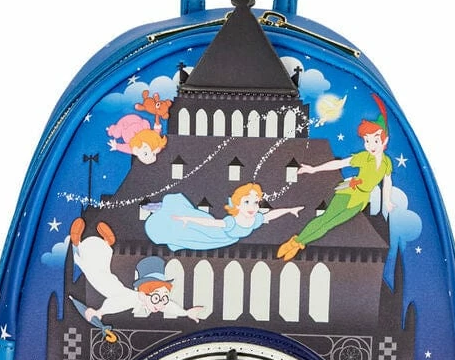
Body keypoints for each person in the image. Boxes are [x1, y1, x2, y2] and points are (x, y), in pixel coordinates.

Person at [277, 93, 395, 261]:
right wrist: (314, 169)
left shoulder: (386, 163)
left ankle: (299, 243)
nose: (370, 146)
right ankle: (295, 242)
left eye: (375, 140)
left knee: (331, 224)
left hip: (361, 200)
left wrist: (387, 200)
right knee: (326, 218)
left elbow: (387, 181)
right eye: (367, 141)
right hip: (349, 191)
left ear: (385, 141)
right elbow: (340, 164)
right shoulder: (364, 157)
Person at [69, 219, 202, 322]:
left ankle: (103, 243)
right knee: (94, 271)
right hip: (107, 284)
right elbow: (115, 303)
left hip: (111, 281)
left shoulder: (151, 301)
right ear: (143, 293)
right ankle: (77, 242)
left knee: (99, 267)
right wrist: (100, 312)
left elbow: (169, 306)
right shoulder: (132, 299)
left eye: (164, 298)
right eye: (157, 298)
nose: (161, 304)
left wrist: (186, 313)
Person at [145, 183, 303, 252]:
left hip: (223, 240)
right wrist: (189, 219)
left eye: (256, 202)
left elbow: (270, 215)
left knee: (185, 238)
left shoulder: (255, 220)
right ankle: (163, 209)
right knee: (184, 222)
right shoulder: (231, 222)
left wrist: (290, 210)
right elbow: (210, 224)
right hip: (211, 233)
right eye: (247, 202)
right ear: (238, 205)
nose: (252, 207)